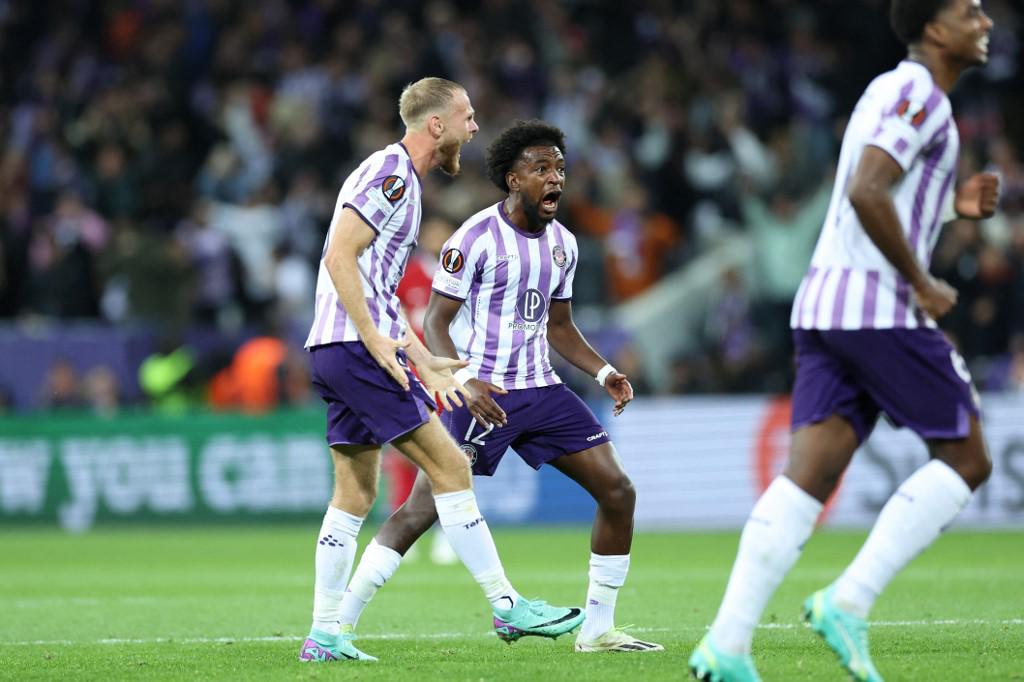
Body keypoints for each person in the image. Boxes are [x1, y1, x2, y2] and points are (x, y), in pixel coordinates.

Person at [689, 2, 999, 681]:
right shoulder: (919, 91)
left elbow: (880, 186)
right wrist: (922, 279)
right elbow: (866, 189)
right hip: (878, 305)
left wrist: (952, 205)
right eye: (969, 9)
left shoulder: (890, 89)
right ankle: (848, 600)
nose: (985, 19)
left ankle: (727, 644)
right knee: (969, 457)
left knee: (811, 473)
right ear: (935, 28)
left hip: (825, 302)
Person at [336, 119, 663, 654]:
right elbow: (437, 323)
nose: (554, 177)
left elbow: (560, 326)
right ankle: (339, 623)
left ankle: (598, 629)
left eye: (559, 167)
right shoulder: (473, 238)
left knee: (617, 491)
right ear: (513, 179)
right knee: (421, 512)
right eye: (541, 169)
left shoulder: (564, 245)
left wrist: (604, 373)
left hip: (543, 391)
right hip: (482, 396)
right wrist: (464, 380)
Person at [299, 79, 583, 663]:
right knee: (453, 465)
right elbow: (338, 255)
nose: (475, 127)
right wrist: (378, 340)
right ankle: (507, 605)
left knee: (355, 490)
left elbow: (373, 283)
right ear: (436, 124)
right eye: (468, 116)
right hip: (355, 345)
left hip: (332, 346)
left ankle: (325, 634)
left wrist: (419, 352)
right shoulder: (395, 175)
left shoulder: (395, 177)